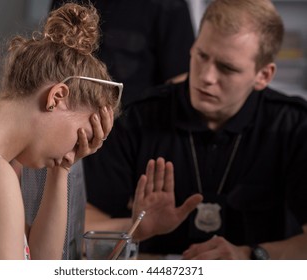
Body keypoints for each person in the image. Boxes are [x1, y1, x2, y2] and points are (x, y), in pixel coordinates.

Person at [82, 0, 307, 259]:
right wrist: (134, 228)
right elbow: (85, 223)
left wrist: (250, 256)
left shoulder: (294, 127)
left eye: (227, 68)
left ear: (264, 75)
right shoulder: (137, 118)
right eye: (201, 55)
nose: (206, 76)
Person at [0, 3, 122, 260]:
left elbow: (42, 264)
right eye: (80, 136)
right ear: (57, 97)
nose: (78, 150)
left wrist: (61, 170)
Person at [51, 0, 195, 106]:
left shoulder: (171, 6)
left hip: (132, 131)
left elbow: (178, 85)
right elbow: (51, 59)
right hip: (66, 114)